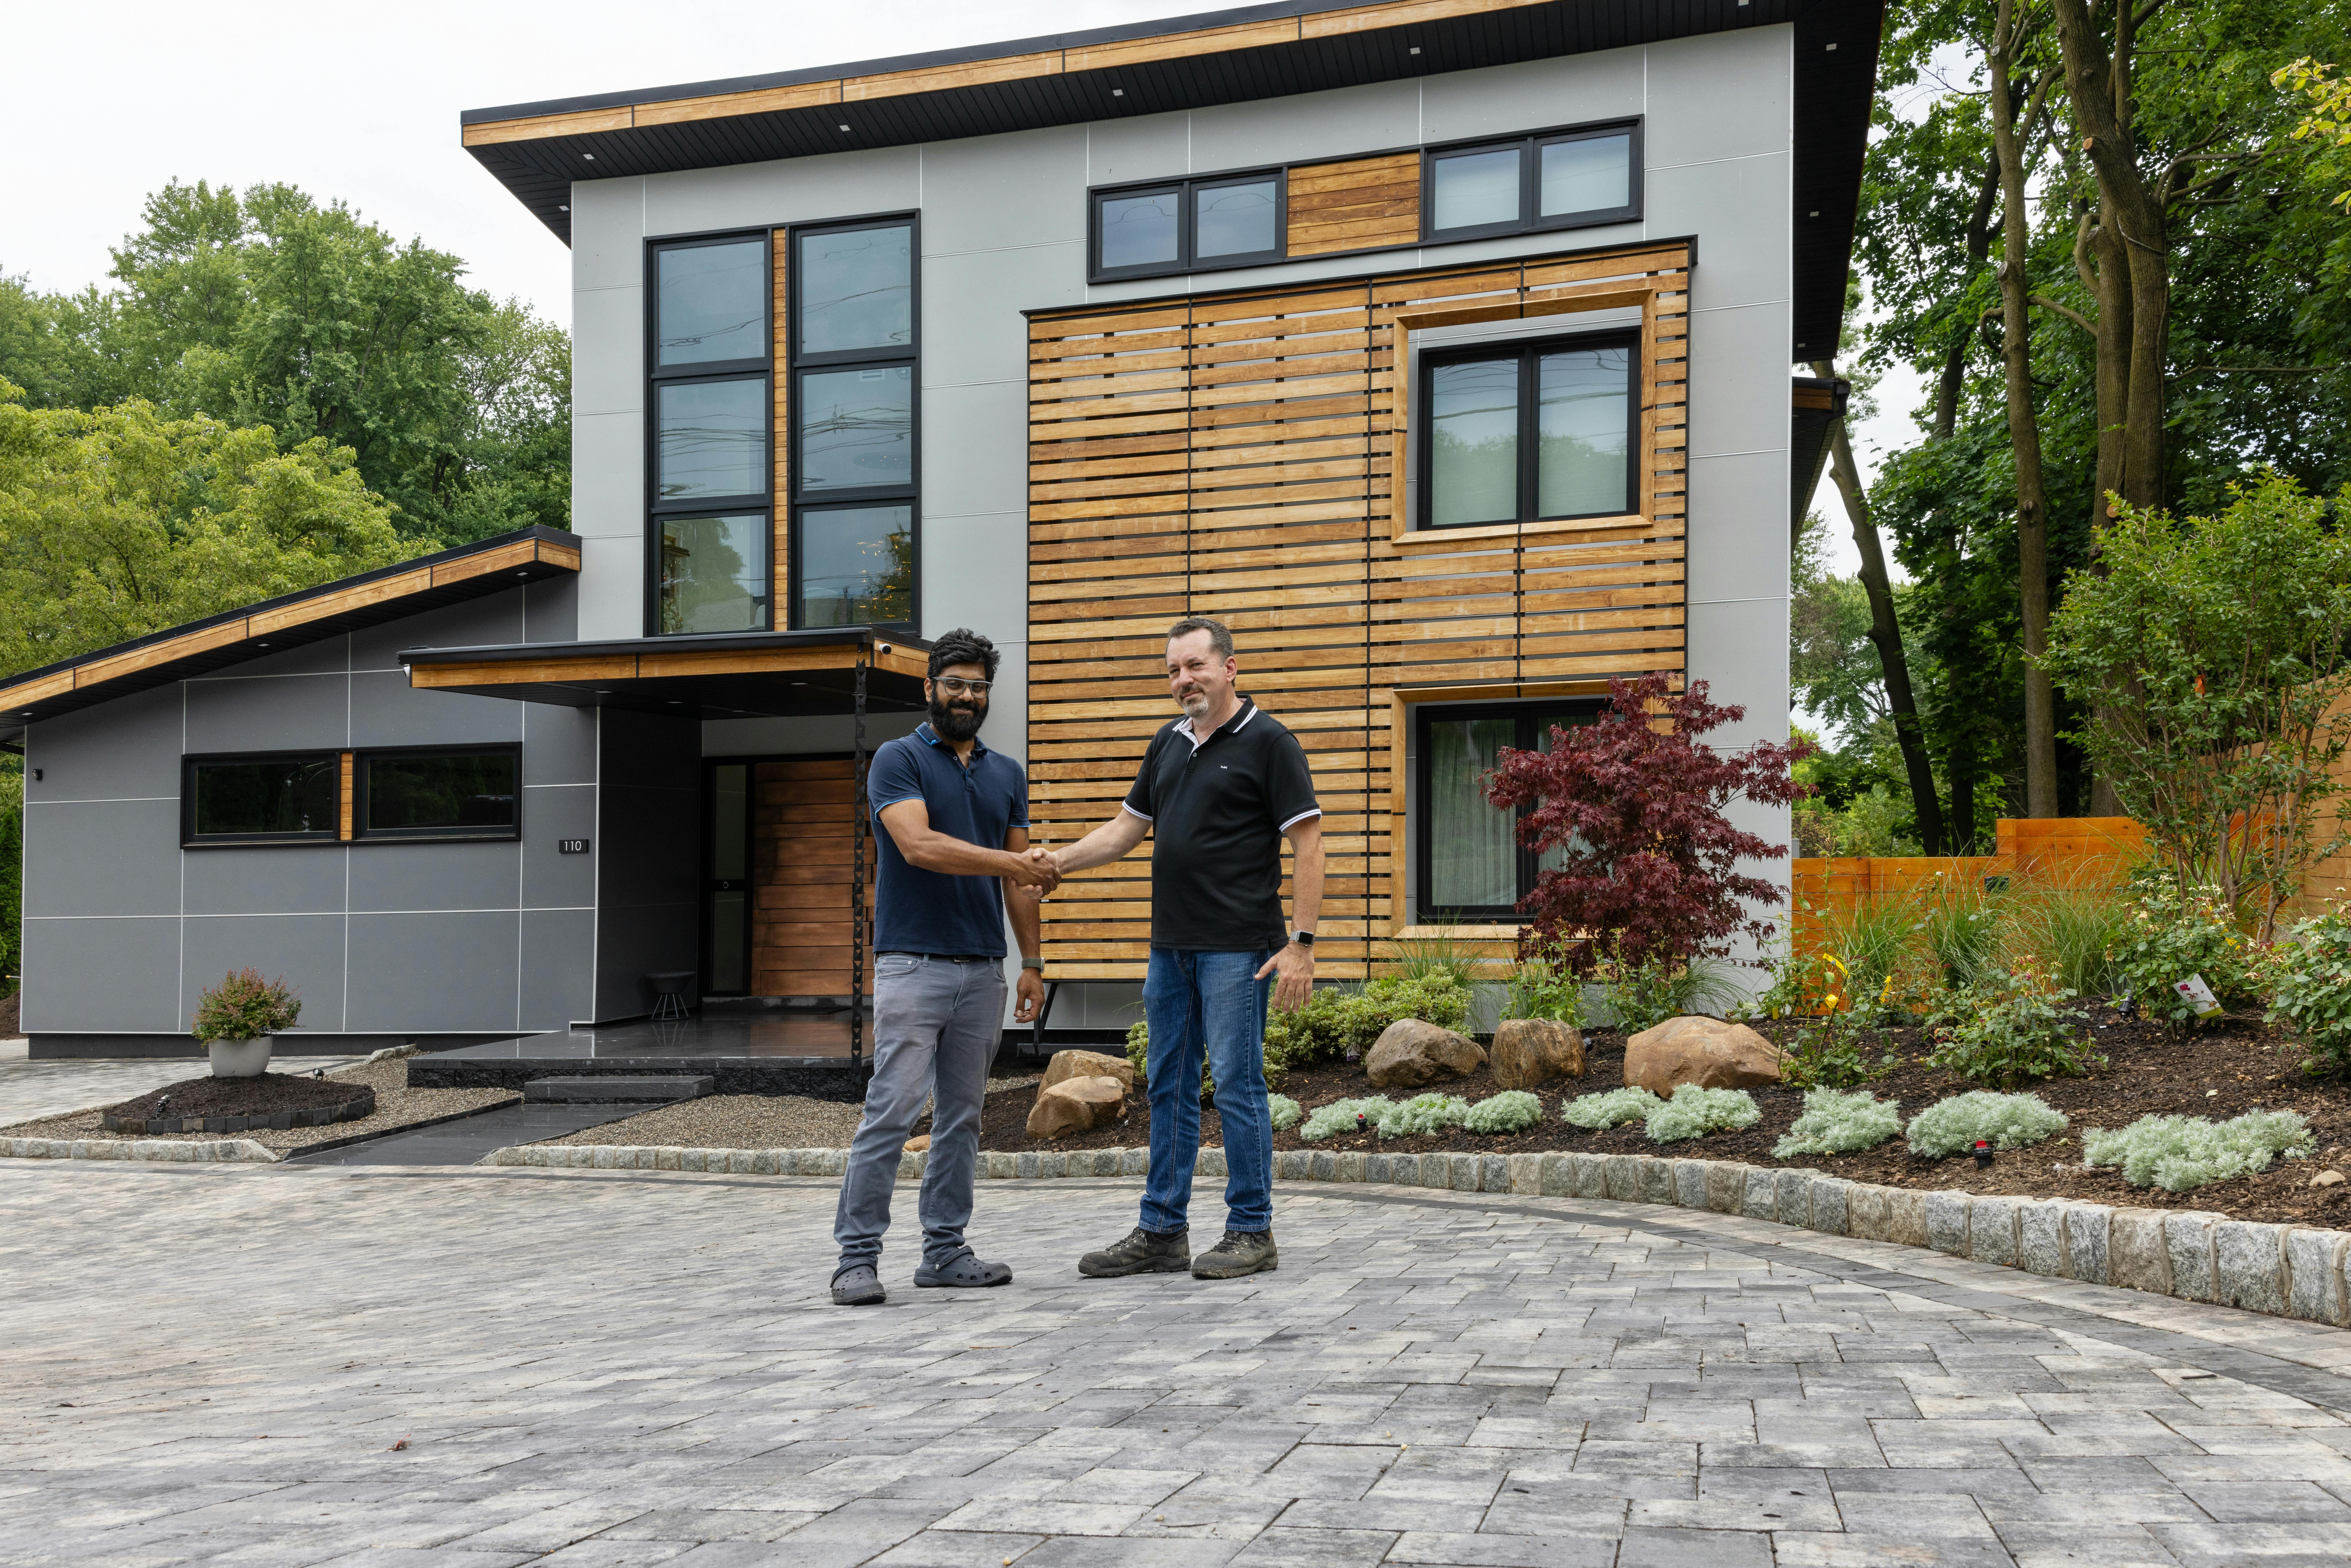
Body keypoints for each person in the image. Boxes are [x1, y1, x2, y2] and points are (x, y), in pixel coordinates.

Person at [1041, 616, 1322, 1281]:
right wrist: (1055, 862)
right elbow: (1123, 832)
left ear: (1230, 667)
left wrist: (1301, 944)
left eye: (1194, 665)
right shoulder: (1167, 744)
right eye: (1172, 670)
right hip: (1171, 948)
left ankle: (1252, 1228)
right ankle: (1161, 1229)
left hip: (1237, 947)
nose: (1182, 680)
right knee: (1168, 1083)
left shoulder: (1270, 741)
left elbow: (1308, 842)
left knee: (1236, 1084)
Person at [829, 627, 1057, 1307]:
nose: (966, 695)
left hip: (984, 968)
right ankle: (856, 1258)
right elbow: (920, 845)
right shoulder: (897, 760)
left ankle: (945, 1250)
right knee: (892, 1110)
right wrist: (1017, 863)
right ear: (929, 687)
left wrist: (1033, 963)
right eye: (954, 683)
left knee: (963, 1115)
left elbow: (1020, 883)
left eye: (978, 686)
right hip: (911, 964)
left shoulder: (1005, 773)